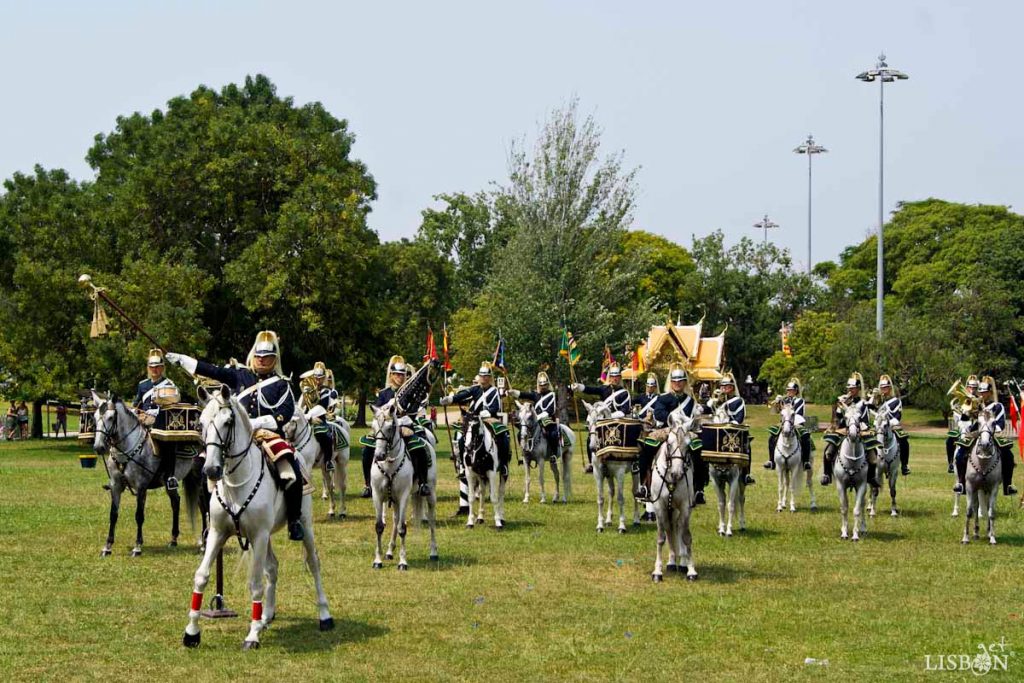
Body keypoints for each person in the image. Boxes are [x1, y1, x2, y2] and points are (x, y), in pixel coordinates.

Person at [165, 331, 306, 541]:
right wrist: (184, 360)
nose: (261, 360)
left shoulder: (282, 384)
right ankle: (211, 518)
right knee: (202, 465)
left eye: (266, 357)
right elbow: (211, 371)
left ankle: (294, 519)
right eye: (258, 356)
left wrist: (255, 423)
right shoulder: (240, 375)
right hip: (235, 435)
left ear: (274, 359)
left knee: (291, 469)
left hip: (267, 435)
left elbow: (283, 416)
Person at [358, 356, 430, 497]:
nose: (400, 377)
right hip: (385, 430)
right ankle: (368, 484)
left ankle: (422, 483)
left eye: (402, 375)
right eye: (397, 374)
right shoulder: (384, 394)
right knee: (367, 450)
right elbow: (377, 412)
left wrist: (405, 425)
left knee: (420, 449)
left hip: (406, 428)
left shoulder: (411, 392)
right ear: (391, 375)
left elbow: (414, 411)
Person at [634, 365, 705, 504]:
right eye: (675, 381)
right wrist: (672, 416)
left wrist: (695, 416)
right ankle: (644, 485)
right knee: (647, 448)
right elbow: (658, 413)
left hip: (684, 432)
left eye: (680, 381)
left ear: (685, 382)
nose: (677, 383)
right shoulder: (663, 398)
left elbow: (693, 418)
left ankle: (699, 489)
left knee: (699, 450)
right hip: (666, 430)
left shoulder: (690, 400)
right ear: (671, 382)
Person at [441, 362, 512, 477]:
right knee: (461, 440)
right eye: (481, 376)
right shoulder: (475, 389)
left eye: (485, 376)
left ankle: (503, 465)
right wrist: (450, 399)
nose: (483, 378)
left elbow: (496, 406)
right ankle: (463, 466)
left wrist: (488, 412)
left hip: (489, 419)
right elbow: (463, 395)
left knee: (502, 436)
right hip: (474, 420)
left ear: (489, 378)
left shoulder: (494, 391)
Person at [952, 377, 1017, 496]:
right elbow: (966, 421)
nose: (982, 394)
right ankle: (961, 483)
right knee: (960, 453)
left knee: (1009, 455)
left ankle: (1008, 485)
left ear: (990, 393)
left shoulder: (998, 406)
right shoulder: (975, 404)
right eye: (981, 392)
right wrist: (967, 412)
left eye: (985, 392)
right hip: (975, 433)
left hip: (993, 434)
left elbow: (1001, 423)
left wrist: (990, 431)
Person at [821, 372, 880, 488]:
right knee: (828, 450)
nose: (851, 390)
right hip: (843, 430)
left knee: (873, 455)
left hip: (860, 430)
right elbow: (837, 418)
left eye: (853, 388)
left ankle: (871, 477)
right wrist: (840, 406)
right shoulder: (843, 401)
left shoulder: (863, 403)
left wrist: (860, 427)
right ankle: (827, 475)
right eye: (849, 388)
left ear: (858, 389)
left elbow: (865, 419)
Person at [571, 364, 632, 473]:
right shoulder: (604, 389)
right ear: (610, 377)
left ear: (620, 378)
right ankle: (591, 463)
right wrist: (579, 386)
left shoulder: (624, 393)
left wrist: (610, 416)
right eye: (613, 376)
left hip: (617, 421)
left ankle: (631, 462)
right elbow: (591, 389)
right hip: (603, 422)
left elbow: (624, 411)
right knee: (591, 438)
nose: (615, 378)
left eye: (617, 376)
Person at [705, 373, 753, 484]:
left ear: (732, 388)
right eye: (722, 386)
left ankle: (746, 474)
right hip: (717, 430)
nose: (724, 388)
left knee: (746, 445)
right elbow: (706, 411)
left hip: (732, 431)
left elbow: (739, 418)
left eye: (726, 386)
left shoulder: (738, 401)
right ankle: (704, 473)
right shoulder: (716, 401)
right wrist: (711, 402)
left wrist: (729, 424)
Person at [509, 371, 562, 458]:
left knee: (553, 434)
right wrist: (513, 392)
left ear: (547, 384)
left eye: (544, 385)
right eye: (541, 385)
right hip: (535, 420)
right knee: (521, 433)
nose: (543, 387)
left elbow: (550, 410)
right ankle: (525, 451)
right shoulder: (535, 394)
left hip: (548, 419)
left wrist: (539, 417)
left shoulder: (552, 394)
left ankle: (554, 454)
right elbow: (524, 394)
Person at [764, 378, 812, 472]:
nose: (789, 392)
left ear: (796, 391)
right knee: (772, 437)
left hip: (796, 422)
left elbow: (799, 413)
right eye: (788, 390)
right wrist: (777, 403)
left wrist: (790, 420)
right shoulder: (784, 400)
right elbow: (775, 412)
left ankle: (806, 461)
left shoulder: (800, 401)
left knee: (806, 437)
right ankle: (771, 461)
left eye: (791, 390)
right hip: (784, 423)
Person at [869, 374, 911, 476]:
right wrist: (873, 397)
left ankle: (904, 465)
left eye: (885, 387)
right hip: (878, 425)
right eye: (882, 388)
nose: (883, 389)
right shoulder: (878, 400)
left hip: (892, 426)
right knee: (867, 441)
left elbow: (898, 415)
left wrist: (889, 424)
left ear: (889, 388)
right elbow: (869, 409)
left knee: (904, 442)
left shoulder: (896, 401)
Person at [300, 361, 336, 473]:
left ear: (323, 378)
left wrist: (310, 416)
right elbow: (301, 406)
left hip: (320, 419)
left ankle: (328, 461)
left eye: (320, 377)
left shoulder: (326, 391)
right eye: (315, 377)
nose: (317, 380)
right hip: (307, 419)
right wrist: (305, 416)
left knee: (326, 436)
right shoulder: (307, 390)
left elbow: (322, 407)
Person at [946, 375, 978, 474]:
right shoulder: (960, 401)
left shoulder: (980, 399)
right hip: (963, 426)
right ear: (966, 387)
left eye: (974, 388)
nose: (972, 389)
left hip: (976, 427)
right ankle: (951, 463)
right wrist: (964, 413)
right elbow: (957, 418)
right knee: (949, 441)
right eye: (970, 387)